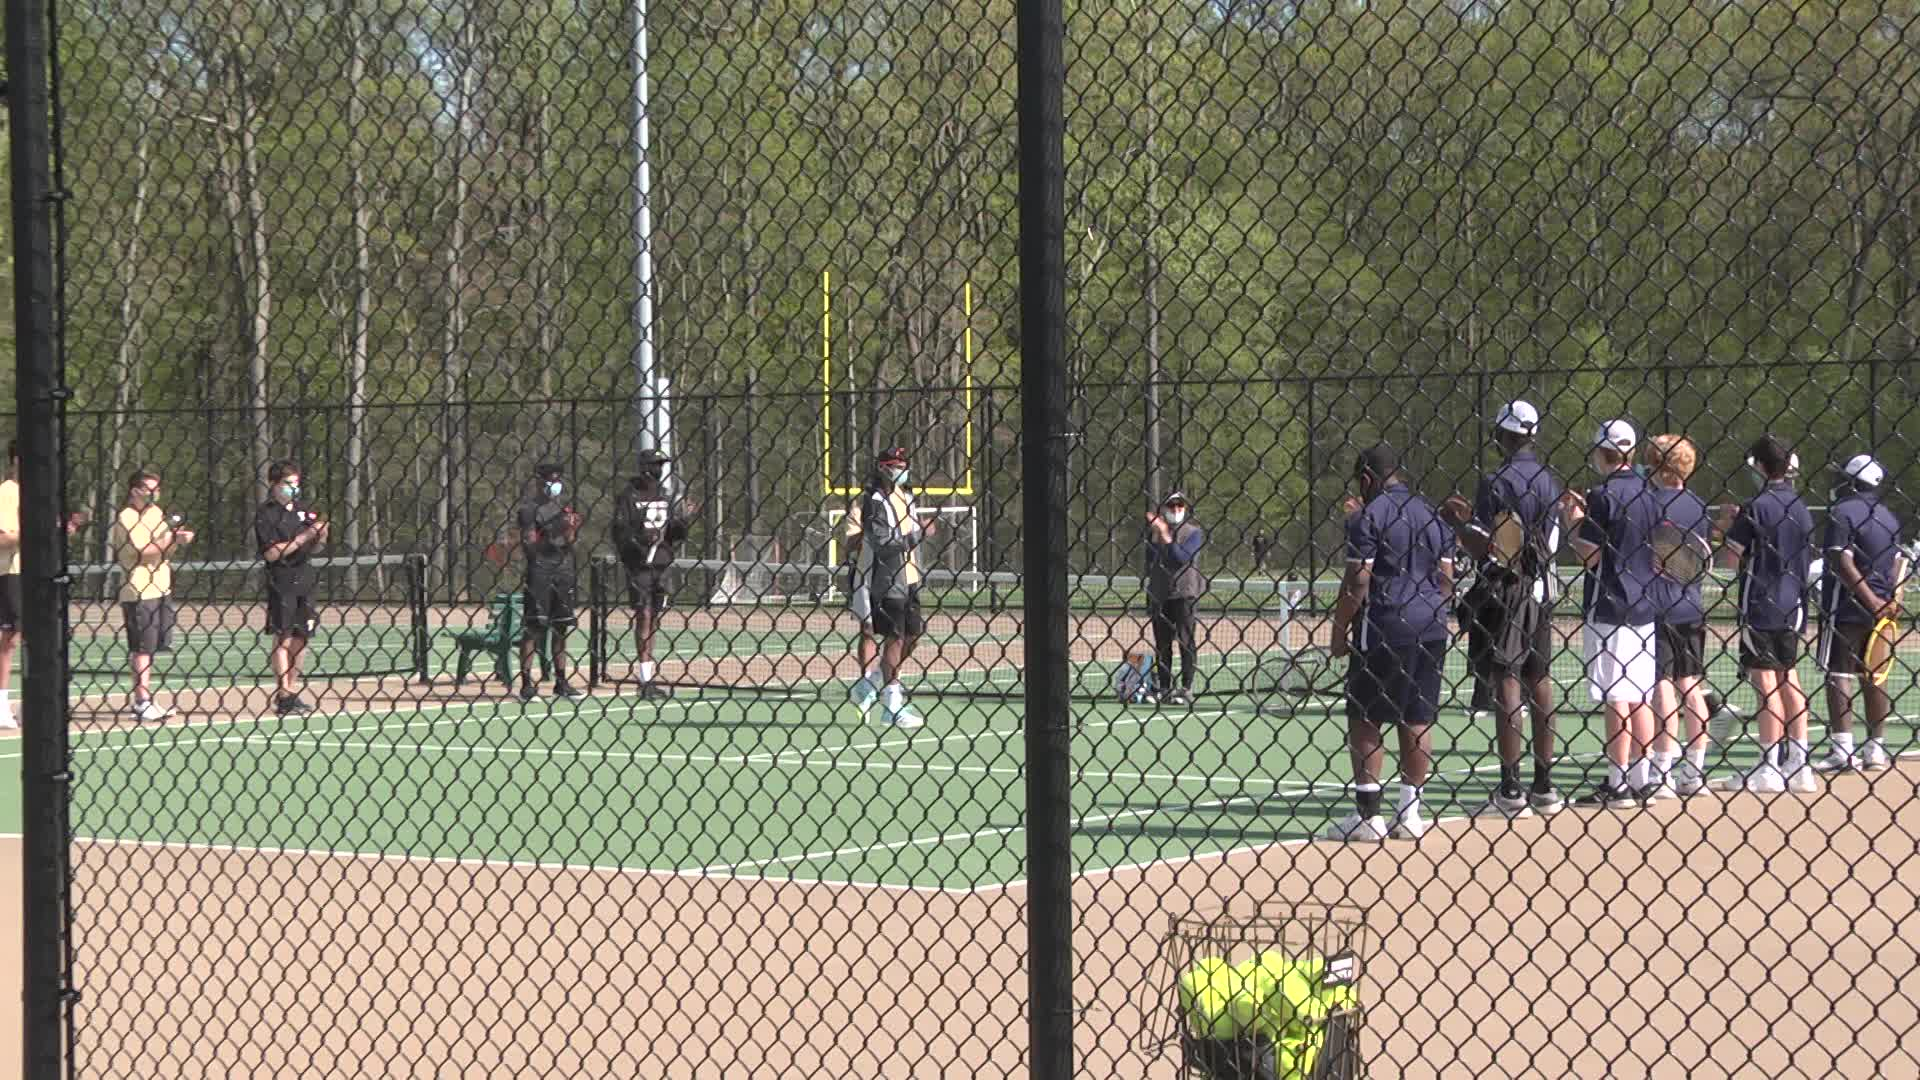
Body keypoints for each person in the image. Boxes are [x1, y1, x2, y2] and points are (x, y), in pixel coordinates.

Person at [1324, 446, 1454, 843]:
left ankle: (1368, 817)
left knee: (1365, 716)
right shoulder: (1431, 513)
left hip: (1382, 624)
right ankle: (1410, 814)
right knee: (1417, 716)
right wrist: (1433, 607)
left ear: (1366, 480)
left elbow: (1359, 580)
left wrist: (1339, 628)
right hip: (1430, 625)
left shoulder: (1366, 518)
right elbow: (1447, 576)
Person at [1443, 400, 1566, 818]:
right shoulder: (1550, 482)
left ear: (1506, 435)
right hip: (1541, 588)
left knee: (1507, 682)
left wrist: (1459, 523)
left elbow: (1488, 545)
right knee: (1540, 678)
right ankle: (1545, 785)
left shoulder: (1494, 481)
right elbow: (1549, 542)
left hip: (1505, 588)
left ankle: (1511, 789)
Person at [1561, 420, 1662, 809]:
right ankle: (1642, 779)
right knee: (1638, 695)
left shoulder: (1602, 495)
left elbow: (1590, 554)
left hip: (1610, 604)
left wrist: (1573, 523)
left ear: (1600, 454)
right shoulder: (1649, 494)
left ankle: (1618, 783)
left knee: (1616, 697)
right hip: (1644, 604)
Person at [1719, 435, 1817, 794]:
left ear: (1761, 466)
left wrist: (1730, 527)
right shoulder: (1802, 507)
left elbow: (1732, 558)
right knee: (1789, 679)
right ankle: (1800, 765)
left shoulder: (1756, 506)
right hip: (1794, 606)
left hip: (1760, 605)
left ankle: (1768, 766)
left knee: (1766, 687)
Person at [1813, 454, 1903, 774]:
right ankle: (1875, 750)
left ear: (1851, 481)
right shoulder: (1888, 516)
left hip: (1845, 607)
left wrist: (1868, 599)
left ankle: (1842, 750)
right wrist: (1888, 598)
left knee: (1839, 674)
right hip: (1880, 610)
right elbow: (1896, 564)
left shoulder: (1841, 512)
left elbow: (1842, 561)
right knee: (1874, 676)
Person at [1641, 435, 1717, 798]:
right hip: (1691, 606)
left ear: (1656, 465)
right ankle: (1695, 772)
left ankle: (1662, 772)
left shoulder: (1648, 504)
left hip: (1656, 606)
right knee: (1691, 684)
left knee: (1662, 686)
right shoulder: (1700, 507)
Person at [856, 446, 935, 730]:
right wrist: (918, 534)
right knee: (895, 637)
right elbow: (883, 545)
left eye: (903, 464)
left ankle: (874, 680)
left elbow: (909, 535)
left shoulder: (907, 496)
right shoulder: (874, 501)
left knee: (914, 633)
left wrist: (919, 533)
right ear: (883, 468)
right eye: (895, 465)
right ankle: (891, 704)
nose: (901, 469)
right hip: (887, 579)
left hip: (910, 577)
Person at [611, 449, 695, 699]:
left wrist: (684, 520)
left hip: (661, 564)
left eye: (662, 465)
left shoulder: (665, 496)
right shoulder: (629, 497)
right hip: (640, 567)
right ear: (645, 467)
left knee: (654, 617)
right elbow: (619, 532)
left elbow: (674, 533)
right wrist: (638, 542)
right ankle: (644, 679)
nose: (659, 469)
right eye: (656, 465)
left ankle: (649, 675)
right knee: (644, 616)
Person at [112, 470, 195, 722]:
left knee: (153, 647)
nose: (153, 493)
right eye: (148, 489)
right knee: (142, 648)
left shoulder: (156, 513)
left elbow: (163, 549)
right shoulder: (126, 516)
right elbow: (143, 552)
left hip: (161, 587)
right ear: (134, 490)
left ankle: (146, 698)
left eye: (156, 489)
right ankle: (142, 702)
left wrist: (178, 540)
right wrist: (171, 538)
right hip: (139, 589)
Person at [255, 460, 326, 716]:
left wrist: (319, 536)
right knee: (283, 636)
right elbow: (272, 554)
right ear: (275, 484)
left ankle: (291, 691)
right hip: (281, 579)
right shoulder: (266, 513)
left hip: (305, 577)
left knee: (301, 637)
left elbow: (315, 547)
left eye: (296, 483)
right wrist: (301, 539)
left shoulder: (304, 510)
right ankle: (283, 692)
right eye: (288, 483)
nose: (293, 488)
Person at [516, 463, 583, 702]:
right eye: (550, 480)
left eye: (557, 479)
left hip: (563, 570)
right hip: (540, 570)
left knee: (561, 627)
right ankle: (526, 684)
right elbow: (530, 542)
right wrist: (548, 536)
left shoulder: (564, 508)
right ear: (540, 482)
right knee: (534, 627)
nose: (554, 484)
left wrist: (571, 529)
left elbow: (570, 541)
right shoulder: (529, 509)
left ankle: (561, 682)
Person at [1145, 491, 1206, 706]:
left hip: (1185, 594)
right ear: (1164, 509)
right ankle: (1164, 687)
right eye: (1171, 506)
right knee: (1162, 644)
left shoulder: (1193, 533)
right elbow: (1150, 561)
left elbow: (1181, 558)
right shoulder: (1153, 533)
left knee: (1186, 642)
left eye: (1180, 506)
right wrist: (1157, 536)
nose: (1176, 510)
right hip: (1161, 595)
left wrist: (1165, 536)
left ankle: (1186, 688)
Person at [840, 481, 884, 716]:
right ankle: (866, 681)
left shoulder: (900, 507)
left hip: (897, 579)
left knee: (901, 634)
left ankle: (877, 680)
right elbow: (849, 545)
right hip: (866, 577)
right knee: (867, 630)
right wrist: (867, 528)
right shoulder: (858, 512)